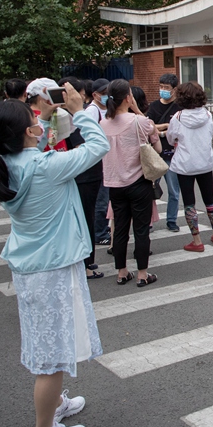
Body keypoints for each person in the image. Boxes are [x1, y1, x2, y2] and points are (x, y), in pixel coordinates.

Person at [0, 85, 108, 427]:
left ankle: (55, 406)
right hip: (52, 268)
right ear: (28, 132)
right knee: (51, 357)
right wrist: (81, 109)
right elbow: (98, 147)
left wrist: (53, 122)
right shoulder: (44, 168)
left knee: (51, 343)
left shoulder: (10, 162)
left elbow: (46, 149)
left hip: (34, 265)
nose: (38, 120)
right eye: (33, 119)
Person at [100, 79, 161, 287]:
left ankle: (121, 271)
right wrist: (136, 109)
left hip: (114, 183)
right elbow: (154, 136)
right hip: (138, 181)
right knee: (141, 229)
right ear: (128, 97)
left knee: (120, 229)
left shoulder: (102, 124)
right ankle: (142, 273)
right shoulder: (138, 121)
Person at [57, 77, 105, 280]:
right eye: (82, 94)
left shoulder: (59, 115)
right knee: (85, 219)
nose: (83, 98)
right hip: (84, 175)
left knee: (82, 218)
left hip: (73, 174)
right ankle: (85, 263)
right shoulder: (73, 116)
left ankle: (84, 260)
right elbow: (92, 145)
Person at [166, 81, 213, 250]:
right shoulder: (208, 115)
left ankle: (197, 240)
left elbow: (170, 138)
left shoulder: (178, 117)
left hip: (185, 164)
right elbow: (210, 134)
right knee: (209, 198)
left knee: (189, 202)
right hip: (204, 161)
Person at [147, 73, 182, 233]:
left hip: (173, 155)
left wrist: (159, 127)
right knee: (150, 190)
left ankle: (172, 220)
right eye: (161, 87)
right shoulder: (153, 106)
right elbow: (149, 126)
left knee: (174, 191)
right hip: (155, 155)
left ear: (174, 89)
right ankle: (148, 222)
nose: (163, 90)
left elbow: (178, 127)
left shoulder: (179, 107)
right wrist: (167, 126)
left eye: (166, 88)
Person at [84, 78, 111, 245]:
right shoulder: (92, 112)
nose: (107, 96)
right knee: (102, 199)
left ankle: (102, 228)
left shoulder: (106, 108)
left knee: (106, 199)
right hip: (98, 162)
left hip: (107, 160)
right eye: (104, 93)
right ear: (95, 95)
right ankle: (99, 234)